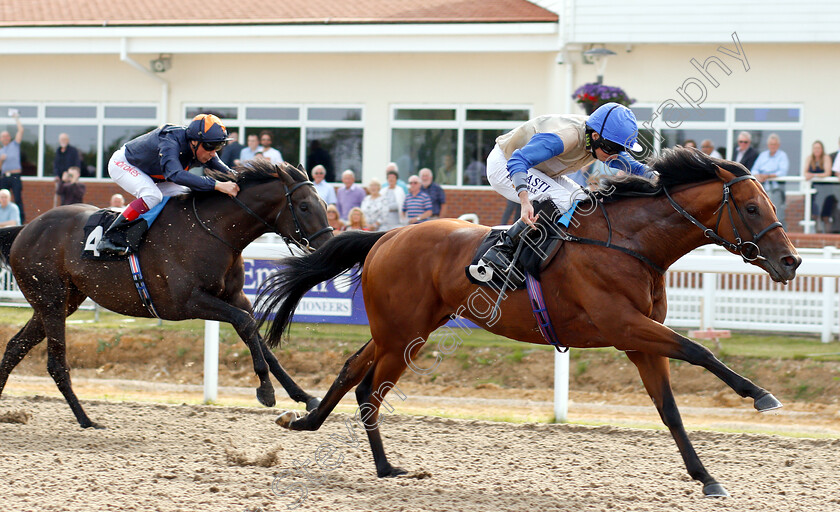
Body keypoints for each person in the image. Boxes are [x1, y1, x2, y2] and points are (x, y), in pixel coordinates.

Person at [482, 102, 655, 267]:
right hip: (506, 164)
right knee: (564, 200)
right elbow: (518, 160)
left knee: (584, 201)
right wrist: (525, 201)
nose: (615, 155)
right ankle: (502, 249)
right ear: (595, 137)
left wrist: (656, 176)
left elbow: (631, 164)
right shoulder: (564, 138)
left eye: (620, 149)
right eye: (612, 149)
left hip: (536, 169)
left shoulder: (598, 137)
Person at [95, 113, 240, 255]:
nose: (213, 153)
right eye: (210, 146)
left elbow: (226, 171)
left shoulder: (201, 147)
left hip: (153, 173)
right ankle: (109, 237)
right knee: (152, 195)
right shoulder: (170, 141)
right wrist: (217, 185)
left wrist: (241, 179)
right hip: (123, 163)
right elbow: (174, 174)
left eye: (218, 146)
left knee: (183, 196)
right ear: (194, 141)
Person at [804, 140, 836, 233]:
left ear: (822, 149)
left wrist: (813, 175)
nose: (816, 150)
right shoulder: (809, 158)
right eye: (815, 148)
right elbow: (805, 173)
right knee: (815, 214)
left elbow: (827, 173)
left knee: (826, 215)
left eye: (818, 148)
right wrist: (810, 175)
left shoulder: (826, 158)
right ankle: (817, 235)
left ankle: (827, 237)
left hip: (826, 190)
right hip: (814, 191)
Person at [0, 111, 25, 223]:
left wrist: (16, 118)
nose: (5, 138)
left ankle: (21, 222)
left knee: (18, 198)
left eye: (6, 136)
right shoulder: (1, 151)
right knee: (2, 197)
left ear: (9, 137)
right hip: (5, 176)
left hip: (15, 175)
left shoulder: (14, 145)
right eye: (3, 136)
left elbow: (21, 130)